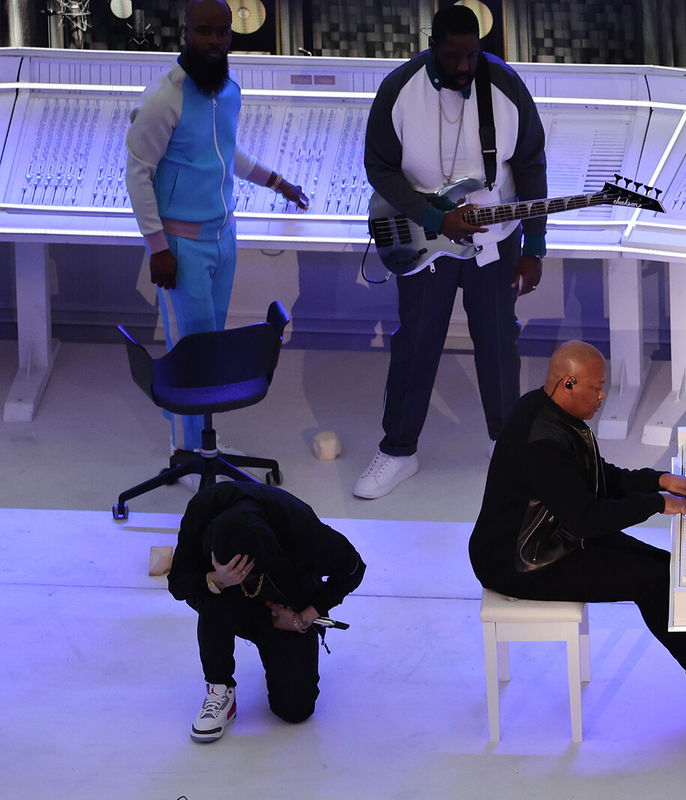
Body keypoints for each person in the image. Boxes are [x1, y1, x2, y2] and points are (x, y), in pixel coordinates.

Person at [469, 341, 686, 723]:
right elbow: (587, 519)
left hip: (550, 535)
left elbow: (594, 478)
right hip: (521, 560)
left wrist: (659, 480)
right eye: (596, 387)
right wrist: (657, 502)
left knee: (667, 568)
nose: (603, 396)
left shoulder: (546, 409)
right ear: (569, 383)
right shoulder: (542, 440)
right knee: (654, 582)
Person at [356, 4, 547, 499]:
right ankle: (398, 451)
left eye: (472, 54)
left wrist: (536, 246)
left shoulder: (505, 86)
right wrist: (436, 219)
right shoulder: (399, 89)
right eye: (453, 55)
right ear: (432, 44)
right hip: (427, 241)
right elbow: (379, 167)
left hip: (495, 241)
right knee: (416, 344)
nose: (465, 66)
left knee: (500, 345)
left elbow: (530, 167)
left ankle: (504, 449)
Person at [125, 0, 308, 457]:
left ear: (231, 34)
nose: (213, 42)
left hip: (223, 237)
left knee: (210, 341)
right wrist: (158, 248)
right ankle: (188, 452)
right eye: (203, 32)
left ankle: (201, 438)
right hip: (180, 247)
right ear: (186, 32)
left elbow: (226, 153)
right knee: (190, 347)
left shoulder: (227, 91)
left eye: (221, 33)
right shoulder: (164, 98)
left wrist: (277, 181)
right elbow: (137, 172)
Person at [167, 482, 365, 742]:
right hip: (228, 600)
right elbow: (178, 584)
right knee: (210, 596)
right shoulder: (202, 512)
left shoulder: (300, 527)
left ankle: (278, 645)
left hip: (286, 608)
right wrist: (218, 578)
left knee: (295, 710)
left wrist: (303, 617)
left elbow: (353, 568)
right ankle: (219, 688)